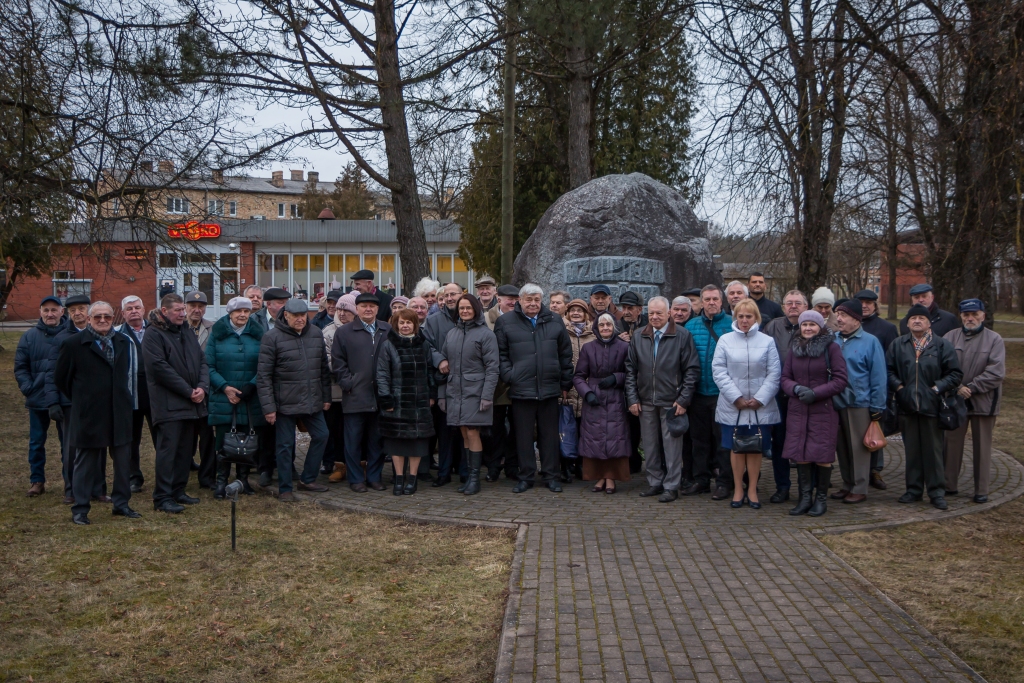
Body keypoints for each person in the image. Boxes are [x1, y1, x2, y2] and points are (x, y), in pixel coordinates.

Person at [54, 301, 139, 524]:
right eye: (98, 317)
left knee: (122, 461)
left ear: (114, 319)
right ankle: (80, 509)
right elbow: (62, 379)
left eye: (107, 317)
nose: (103, 321)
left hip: (119, 410)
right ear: (89, 319)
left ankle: (121, 504)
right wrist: (83, 399)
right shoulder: (73, 344)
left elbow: (125, 374)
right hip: (89, 413)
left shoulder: (122, 341)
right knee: (85, 462)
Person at [495, 283, 573, 493]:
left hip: (549, 388)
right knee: (523, 437)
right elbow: (501, 354)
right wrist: (510, 376)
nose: (533, 304)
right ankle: (526, 476)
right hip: (521, 389)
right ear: (520, 300)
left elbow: (565, 354)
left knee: (549, 437)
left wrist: (565, 382)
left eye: (536, 300)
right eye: (528, 300)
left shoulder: (554, 320)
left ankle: (551, 476)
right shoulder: (505, 322)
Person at [887, 303, 963, 510]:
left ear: (929, 323)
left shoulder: (941, 345)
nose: (917, 321)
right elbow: (888, 370)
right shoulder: (898, 344)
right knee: (912, 451)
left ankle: (936, 492)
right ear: (908, 323)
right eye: (913, 318)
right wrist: (900, 388)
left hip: (932, 406)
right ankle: (913, 490)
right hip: (907, 406)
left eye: (921, 318)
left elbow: (955, 374)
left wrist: (937, 388)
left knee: (933, 452)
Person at [625, 296, 701, 503]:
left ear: (669, 313)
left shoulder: (682, 335)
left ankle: (671, 486)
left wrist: (683, 400)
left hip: (672, 401)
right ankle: (655, 482)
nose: (655, 317)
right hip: (645, 400)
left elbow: (692, 370)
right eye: (651, 313)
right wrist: (632, 398)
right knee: (649, 445)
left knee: (672, 447)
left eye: (659, 313)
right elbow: (630, 369)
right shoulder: (639, 335)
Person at [257, 298, 332, 501]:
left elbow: (323, 369)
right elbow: (263, 376)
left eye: (303, 315)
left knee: (322, 435)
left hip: (312, 399)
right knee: (284, 445)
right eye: (296, 316)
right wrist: (269, 408)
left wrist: (326, 397)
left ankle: (307, 479)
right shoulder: (271, 338)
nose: (300, 319)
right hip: (284, 403)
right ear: (286, 315)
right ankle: (285, 488)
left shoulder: (316, 334)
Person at [143, 293, 210, 514]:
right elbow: (160, 369)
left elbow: (201, 361)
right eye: (178, 310)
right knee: (168, 452)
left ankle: (178, 491)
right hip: (169, 405)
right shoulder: (153, 334)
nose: (183, 313)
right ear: (164, 311)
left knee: (184, 451)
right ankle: (162, 497)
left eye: (183, 309)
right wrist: (188, 391)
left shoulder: (186, 332)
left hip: (192, 403)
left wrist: (202, 386)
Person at [712, 299, 781, 509]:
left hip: (760, 407)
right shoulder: (725, 340)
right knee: (736, 448)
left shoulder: (767, 341)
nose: (744, 320)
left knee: (755, 448)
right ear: (735, 317)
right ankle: (738, 489)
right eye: (740, 316)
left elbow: (774, 373)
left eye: (748, 316)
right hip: (733, 406)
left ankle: (752, 489)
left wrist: (760, 398)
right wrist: (736, 397)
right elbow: (719, 371)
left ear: (756, 318)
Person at [780, 310, 849, 516]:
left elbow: (840, 380)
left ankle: (820, 500)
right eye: (804, 325)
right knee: (801, 453)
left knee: (821, 455)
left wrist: (816, 393)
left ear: (820, 327)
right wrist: (796, 389)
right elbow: (785, 377)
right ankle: (804, 498)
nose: (808, 328)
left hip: (823, 410)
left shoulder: (832, 348)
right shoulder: (794, 348)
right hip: (798, 408)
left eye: (812, 324)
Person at [944, 299, 1004, 504]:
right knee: (951, 444)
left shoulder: (994, 339)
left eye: (974, 314)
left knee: (982, 447)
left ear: (983, 315)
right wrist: (957, 387)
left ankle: (981, 490)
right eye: (966, 314)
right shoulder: (950, 337)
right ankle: (948, 485)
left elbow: (996, 372)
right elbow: (941, 366)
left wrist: (972, 387)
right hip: (955, 400)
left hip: (984, 401)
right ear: (960, 316)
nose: (970, 318)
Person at [829, 299, 889, 504]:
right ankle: (847, 484)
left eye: (843, 315)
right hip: (836, 401)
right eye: (837, 314)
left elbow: (879, 376)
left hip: (860, 403)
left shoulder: (870, 341)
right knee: (842, 447)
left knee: (859, 448)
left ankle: (860, 486)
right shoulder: (833, 339)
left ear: (856, 319)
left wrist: (877, 406)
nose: (838, 318)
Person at [205, 296, 265, 498]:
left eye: (246, 311)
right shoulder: (217, 335)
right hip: (224, 398)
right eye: (238, 311)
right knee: (223, 442)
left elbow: (265, 365)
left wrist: (252, 385)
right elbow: (208, 366)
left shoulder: (259, 335)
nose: (242, 315)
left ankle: (243, 481)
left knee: (247, 441)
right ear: (229, 313)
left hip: (249, 398)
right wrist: (225, 387)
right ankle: (221, 482)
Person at [332, 292, 392, 492]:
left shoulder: (387, 329)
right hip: (355, 395)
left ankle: (374, 477)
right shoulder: (345, 332)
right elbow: (338, 363)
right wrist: (348, 383)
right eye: (364, 306)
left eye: (372, 306)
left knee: (377, 440)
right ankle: (356, 478)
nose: (368, 309)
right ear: (356, 309)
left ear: (377, 309)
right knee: (353, 440)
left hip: (380, 395)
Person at [441, 294, 500, 495]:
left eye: (468, 308)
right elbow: (444, 362)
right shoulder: (452, 333)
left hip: (476, 392)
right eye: (461, 308)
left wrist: (487, 396)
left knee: (473, 432)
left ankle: (475, 479)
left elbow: (493, 368)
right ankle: (468, 477)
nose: (464, 311)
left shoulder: (486, 335)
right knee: (464, 432)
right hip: (456, 391)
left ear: (475, 309)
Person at [376, 307, 437, 495]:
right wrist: (386, 399)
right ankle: (399, 479)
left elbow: (429, 370)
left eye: (408, 322)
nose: (405, 326)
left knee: (416, 444)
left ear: (415, 325)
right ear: (396, 324)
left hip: (419, 403)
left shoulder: (423, 344)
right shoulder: (388, 345)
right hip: (397, 402)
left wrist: (431, 394)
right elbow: (382, 374)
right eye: (401, 322)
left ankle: (412, 479)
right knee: (397, 444)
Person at [683, 285, 734, 499]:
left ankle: (724, 482)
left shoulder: (732, 324)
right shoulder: (691, 325)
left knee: (723, 442)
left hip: (722, 393)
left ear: (721, 301)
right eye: (707, 299)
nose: (711, 302)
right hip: (697, 393)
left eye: (715, 299)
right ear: (701, 302)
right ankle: (701, 480)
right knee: (699, 441)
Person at [573, 313, 631, 493]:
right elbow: (578, 376)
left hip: (616, 397)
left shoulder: (624, 347)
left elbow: (632, 373)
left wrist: (617, 377)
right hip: (594, 398)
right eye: (602, 325)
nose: (605, 328)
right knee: (595, 439)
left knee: (614, 438)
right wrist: (587, 393)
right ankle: (599, 477)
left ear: (614, 326)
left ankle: (611, 478)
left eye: (609, 324)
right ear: (596, 328)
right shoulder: (588, 348)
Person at [16, 295, 67, 497]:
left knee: (67, 444)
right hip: (37, 399)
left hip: (63, 400)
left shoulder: (70, 335)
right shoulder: (29, 337)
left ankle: (69, 482)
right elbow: (20, 367)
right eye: (46, 310)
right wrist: (28, 387)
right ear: (40, 312)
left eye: (54, 310)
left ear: (62, 312)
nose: (50, 314)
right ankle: (37, 481)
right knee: (36, 443)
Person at [761, 290, 809, 502]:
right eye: (789, 303)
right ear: (783, 306)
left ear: (805, 306)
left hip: (804, 396)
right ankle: (782, 486)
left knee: (804, 443)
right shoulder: (773, 326)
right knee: (779, 443)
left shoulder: (812, 326)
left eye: (798, 303)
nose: (793, 307)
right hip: (778, 395)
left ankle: (806, 489)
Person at [52, 293, 96, 504]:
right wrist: (54, 401)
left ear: (89, 311)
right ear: (68, 314)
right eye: (73, 310)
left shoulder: (99, 333)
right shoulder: (62, 338)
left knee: (97, 444)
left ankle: (97, 487)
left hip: (96, 402)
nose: (78, 313)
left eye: (81, 309)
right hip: (70, 402)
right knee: (72, 447)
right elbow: (54, 374)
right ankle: (71, 489)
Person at [854, 289, 899, 490]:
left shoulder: (886, 328)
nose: (864, 305)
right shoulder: (848, 325)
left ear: (875, 305)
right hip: (855, 392)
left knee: (875, 431)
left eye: (868, 302)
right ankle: (856, 473)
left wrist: (887, 393)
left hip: (878, 389)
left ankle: (875, 470)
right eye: (861, 302)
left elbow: (891, 361)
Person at [422, 282, 464, 485]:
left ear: (462, 295)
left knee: (465, 431)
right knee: (445, 432)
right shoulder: (434, 320)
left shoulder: (471, 316)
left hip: (467, 385)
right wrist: (440, 360)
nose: (449, 298)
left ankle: (465, 472)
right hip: (443, 384)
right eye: (446, 295)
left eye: (453, 294)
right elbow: (427, 345)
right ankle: (444, 473)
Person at [115, 295, 154, 493]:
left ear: (144, 309)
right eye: (129, 309)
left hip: (155, 394)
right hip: (130, 395)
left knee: (162, 437)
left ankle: (167, 475)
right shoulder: (117, 334)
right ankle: (134, 477)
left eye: (137, 307)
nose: (134, 311)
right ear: (122, 313)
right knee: (131, 440)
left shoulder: (155, 331)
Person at [485, 284, 519, 480]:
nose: (512, 301)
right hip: (495, 384)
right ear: (499, 299)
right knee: (494, 429)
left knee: (516, 428)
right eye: (508, 298)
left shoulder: (522, 318)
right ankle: (493, 466)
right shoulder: (485, 319)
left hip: (516, 382)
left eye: (515, 298)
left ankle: (512, 466)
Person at [559, 299, 596, 482]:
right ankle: (565, 465)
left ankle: (582, 464)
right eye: (572, 310)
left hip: (586, 389)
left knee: (584, 430)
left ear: (585, 314)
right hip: (567, 389)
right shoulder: (562, 332)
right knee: (566, 429)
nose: (575, 313)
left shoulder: (593, 334)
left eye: (579, 311)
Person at [322, 297, 356, 482]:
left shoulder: (362, 330)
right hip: (336, 392)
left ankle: (358, 465)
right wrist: (350, 371)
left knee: (355, 431)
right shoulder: (328, 331)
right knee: (336, 430)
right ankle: (338, 464)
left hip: (358, 391)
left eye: (347, 310)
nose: (342, 313)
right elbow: (327, 360)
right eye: (339, 310)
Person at [184, 291, 216, 487]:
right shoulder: (179, 328)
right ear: (186, 307)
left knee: (207, 435)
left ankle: (207, 476)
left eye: (201, 306)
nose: (197, 310)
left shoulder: (213, 327)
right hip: (185, 389)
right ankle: (185, 468)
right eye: (192, 305)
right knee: (187, 435)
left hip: (207, 389)